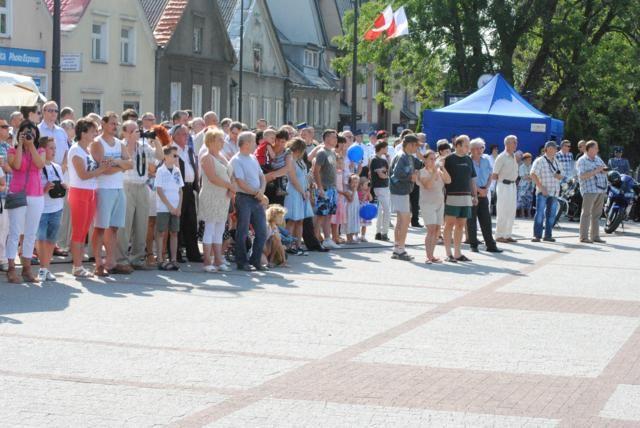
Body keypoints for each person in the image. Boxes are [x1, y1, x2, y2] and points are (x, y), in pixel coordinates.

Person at [116, 120, 163, 270]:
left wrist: (155, 140)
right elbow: (127, 159)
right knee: (125, 224)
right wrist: (130, 141)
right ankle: (121, 258)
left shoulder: (144, 146)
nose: (136, 133)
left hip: (142, 186)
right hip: (127, 186)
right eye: (132, 130)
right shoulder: (120, 145)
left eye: (137, 130)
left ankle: (137, 258)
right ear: (124, 132)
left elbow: (160, 158)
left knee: (141, 224)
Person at [90, 112, 133, 276]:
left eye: (117, 124)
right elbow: (104, 169)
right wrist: (121, 165)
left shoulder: (119, 143)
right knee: (100, 227)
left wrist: (115, 162)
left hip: (118, 188)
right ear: (104, 123)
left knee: (114, 228)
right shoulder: (97, 143)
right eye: (112, 123)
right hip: (103, 189)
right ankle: (98, 263)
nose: (115, 126)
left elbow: (130, 164)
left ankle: (110, 261)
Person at [5, 121, 46, 283]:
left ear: (36, 134)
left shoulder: (40, 150)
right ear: (19, 134)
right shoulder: (12, 150)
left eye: (32, 131)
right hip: (18, 194)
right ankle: (11, 269)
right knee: (15, 233)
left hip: (36, 195)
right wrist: (21, 145)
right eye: (25, 132)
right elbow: (16, 165)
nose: (29, 134)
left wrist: (31, 146)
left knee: (30, 234)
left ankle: (27, 269)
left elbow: (40, 164)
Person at [67, 119, 108, 278]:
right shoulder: (76, 150)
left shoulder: (87, 150)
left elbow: (90, 172)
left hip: (90, 192)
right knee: (79, 231)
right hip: (79, 192)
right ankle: (77, 267)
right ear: (83, 133)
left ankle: (79, 266)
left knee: (84, 230)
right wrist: (101, 170)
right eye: (92, 131)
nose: (95, 134)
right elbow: (82, 175)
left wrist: (103, 166)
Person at [230, 131, 269, 271]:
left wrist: (261, 192)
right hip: (244, 198)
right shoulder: (236, 159)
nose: (255, 144)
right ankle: (242, 262)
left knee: (262, 231)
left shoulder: (252, 158)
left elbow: (262, 176)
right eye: (253, 141)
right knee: (243, 230)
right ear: (246, 144)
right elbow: (240, 182)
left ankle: (256, 260)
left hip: (256, 198)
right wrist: (257, 193)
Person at [199, 129, 234, 273]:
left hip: (223, 197)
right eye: (220, 139)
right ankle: (207, 260)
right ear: (211, 141)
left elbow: (229, 173)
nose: (223, 142)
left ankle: (218, 259)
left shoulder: (222, 156)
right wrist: (230, 186)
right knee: (210, 227)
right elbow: (212, 177)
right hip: (211, 195)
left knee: (220, 228)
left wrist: (231, 188)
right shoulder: (206, 157)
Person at [36, 137, 67, 281]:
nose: (54, 151)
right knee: (41, 240)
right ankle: (42, 269)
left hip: (57, 208)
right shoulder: (37, 167)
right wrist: (44, 189)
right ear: (42, 150)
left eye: (55, 148)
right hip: (42, 209)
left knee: (50, 241)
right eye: (51, 148)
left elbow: (61, 184)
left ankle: (46, 268)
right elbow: (33, 189)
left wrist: (64, 187)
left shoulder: (57, 167)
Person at [443, 135, 477, 263]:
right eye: (466, 146)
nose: (469, 148)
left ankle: (458, 253)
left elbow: (472, 178)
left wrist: (474, 195)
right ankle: (448, 253)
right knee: (449, 224)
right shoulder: (449, 159)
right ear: (457, 145)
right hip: (452, 196)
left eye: (469, 146)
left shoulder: (469, 160)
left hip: (466, 197)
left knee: (461, 225)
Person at [171, 124, 202, 262]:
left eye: (187, 134)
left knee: (191, 221)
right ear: (175, 136)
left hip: (190, 188)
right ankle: (175, 254)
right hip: (177, 189)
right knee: (178, 221)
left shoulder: (188, 150)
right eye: (183, 134)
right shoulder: (172, 150)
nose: (186, 137)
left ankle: (193, 253)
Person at [467, 138, 502, 253]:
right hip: (472, 192)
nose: (479, 150)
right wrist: (478, 190)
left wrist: (486, 188)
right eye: (476, 148)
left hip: (484, 191)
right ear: (471, 149)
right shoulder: (468, 161)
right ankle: (473, 244)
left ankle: (491, 245)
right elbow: (468, 179)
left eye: (481, 148)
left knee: (486, 220)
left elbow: (490, 175)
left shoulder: (486, 160)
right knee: (471, 220)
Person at [389, 134, 419, 261]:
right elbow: (395, 175)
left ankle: (397, 248)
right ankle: (400, 250)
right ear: (410, 144)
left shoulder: (410, 157)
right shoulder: (402, 157)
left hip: (403, 192)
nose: (417, 148)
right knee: (405, 220)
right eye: (416, 145)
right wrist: (410, 177)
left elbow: (421, 164)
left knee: (401, 221)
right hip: (399, 192)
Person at [418, 150, 450, 263]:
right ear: (425, 160)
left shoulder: (438, 171)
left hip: (439, 203)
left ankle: (432, 255)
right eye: (431, 159)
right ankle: (428, 256)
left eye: (434, 159)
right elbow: (428, 185)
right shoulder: (422, 172)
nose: (433, 161)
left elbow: (448, 180)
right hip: (427, 204)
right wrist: (435, 173)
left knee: (436, 230)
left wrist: (442, 168)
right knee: (431, 229)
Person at [155, 146, 183, 271]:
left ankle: (173, 259)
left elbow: (180, 190)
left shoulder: (177, 170)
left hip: (175, 207)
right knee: (161, 232)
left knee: (174, 232)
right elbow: (159, 190)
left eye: (176, 155)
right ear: (166, 156)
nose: (176, 157)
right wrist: (170, 207)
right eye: (174, 155)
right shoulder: (160, 171)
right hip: (163, 207)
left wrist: (178, 207)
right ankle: (160, 258)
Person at [283, 138, 313, 255]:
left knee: (300, 220)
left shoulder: (300, 161)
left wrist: (307, 190)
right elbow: (293, 179)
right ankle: (287, 245)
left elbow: (304, 177)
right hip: (294, 192)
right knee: (292, 220)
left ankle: (298, 245)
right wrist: (302, 192)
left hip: (303, 192)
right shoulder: (290, 159)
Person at [530, 141, 564, 242]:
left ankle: (548, 235)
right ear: (548, 149)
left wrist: (559, 176)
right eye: (554, 148)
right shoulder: (539, 160)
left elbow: (562, 175)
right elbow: (533, 174)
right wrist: (541, 188)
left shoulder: (557, 161)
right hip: (542, 192)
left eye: (556, 149)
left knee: (551, 215)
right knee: (540, 213)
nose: (556, 150)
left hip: (554, 192)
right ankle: (537, 235)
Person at [576, 140, 608, 243]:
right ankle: (584, 237)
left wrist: (604, 170)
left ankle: (595, 236)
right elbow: (582, 176)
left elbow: (605, 169)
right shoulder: (582, 160)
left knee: (597, 214)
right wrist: (596, 171)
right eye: (596, 148)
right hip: (589, 190)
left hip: (601, 189)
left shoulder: (598, 159)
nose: (598, 149)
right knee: (586, 213)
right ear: (589, 149)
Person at [312, 129, 339, 249]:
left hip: (332, 188)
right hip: (325, 188)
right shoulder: (322, 152)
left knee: (328, 215)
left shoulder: (332, 152)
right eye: (333, 137)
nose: (336, 139)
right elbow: (316, 171)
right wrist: (320, 188)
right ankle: (316, 240)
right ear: (327, 138)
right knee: (320, 215)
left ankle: (327, 239)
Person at [493, 135, 519, 243]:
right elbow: (494, 174)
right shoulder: (501, 157)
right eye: (514, 142)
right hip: (503, 185)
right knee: (502, 210)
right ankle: (499, 235)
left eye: (516, 142)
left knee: (511, 211)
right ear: (507, 144)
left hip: (512, 186)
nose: (516, 144)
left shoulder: (514, 156)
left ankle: (507, 234)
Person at [370, 141, 391, 241]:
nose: (387, 149)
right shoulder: (375, 160)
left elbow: (388, 171)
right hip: (378, 187)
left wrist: (385, 172)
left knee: (381, 210)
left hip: (385, 186)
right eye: (386, 147)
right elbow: (381, 175)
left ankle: (378, 232)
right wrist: (385, 174)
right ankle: (384, 233)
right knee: (387, 210)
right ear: (382, 148)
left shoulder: (384, 160)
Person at [0, 117, 13, 271]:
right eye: (3, 126)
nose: (6, 128)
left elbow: (13, 168)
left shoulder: (7, 146)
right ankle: (2, 259)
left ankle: (2, 258)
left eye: (6, 126)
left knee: (5, 228)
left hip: (7, 193)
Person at [344, 174, 361, 244]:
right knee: (349, 222)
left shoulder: (356, 191)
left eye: (356, 182)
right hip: (349, 209)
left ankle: (352, 237)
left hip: (355, 209)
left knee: (353, 222)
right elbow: (351, 200)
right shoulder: (348, 191)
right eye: (353, 182)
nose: (355, 184)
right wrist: (354, 191)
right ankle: (348, 238)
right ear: (349, 183)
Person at [517, 153, 534, 218]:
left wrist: (528, 176)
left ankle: (529, 214)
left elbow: (534, 176)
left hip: (530, 186)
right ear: (524, 160)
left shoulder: (532, 166)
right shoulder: (521, 167)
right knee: (522, 200)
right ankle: (522, 214)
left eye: (530, 160)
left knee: (529, 200)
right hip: (523, 186)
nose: (529, 161)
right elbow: (523, 177)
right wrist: (530, 176)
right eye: (528, 160)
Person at [358, 177, 372, 242]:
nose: (367, 186)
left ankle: (363, 236)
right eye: (366, 185)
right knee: (358, 223)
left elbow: (371, 199)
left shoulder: (367, 192)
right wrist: (366, 194)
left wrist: (368, 193)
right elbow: (362, 200)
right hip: (360, 209)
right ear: (361, 185)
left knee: (364, 224)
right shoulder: (358, 192)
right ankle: (356, 236)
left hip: (366, 210)